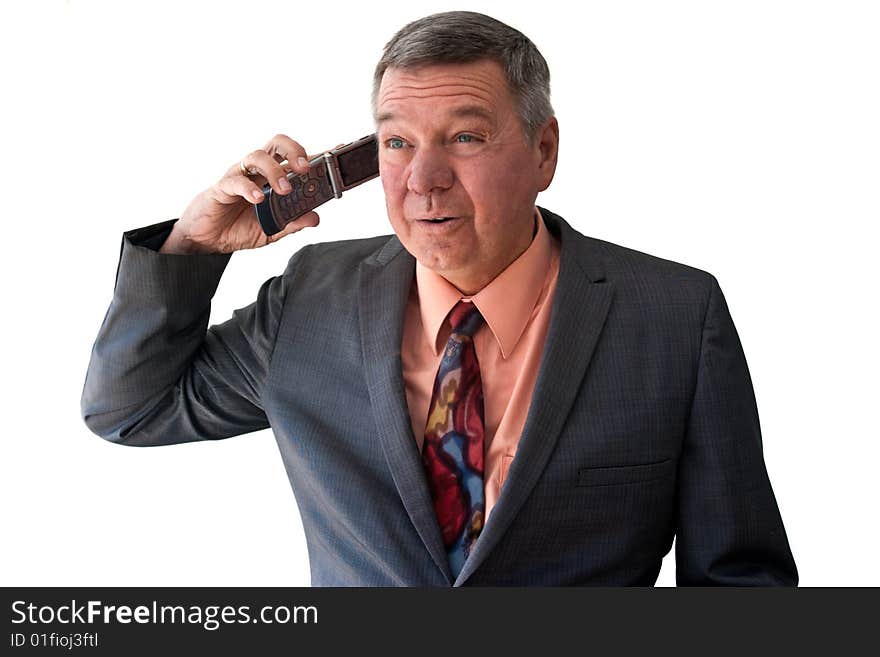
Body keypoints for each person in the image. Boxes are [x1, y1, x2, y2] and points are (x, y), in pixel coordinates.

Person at [81, 10, 798, 586]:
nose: (424, 179)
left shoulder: (675, 315)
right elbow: (129, 408)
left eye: (464, 136)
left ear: (544, 151)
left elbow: (742, 581)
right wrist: (193, 247)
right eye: (396, 143)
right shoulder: (308, 301)